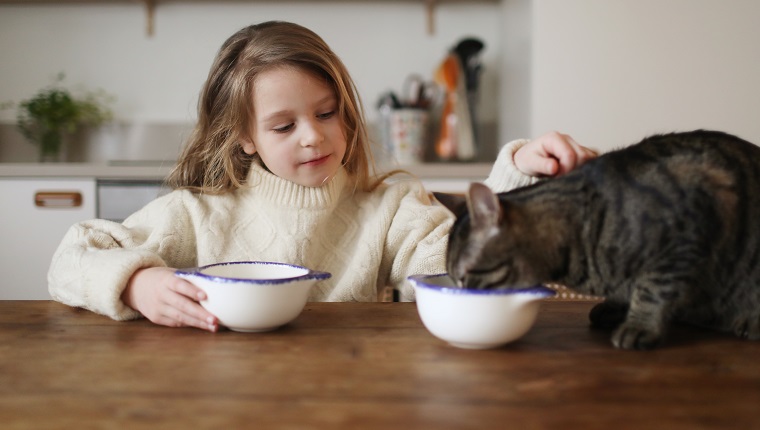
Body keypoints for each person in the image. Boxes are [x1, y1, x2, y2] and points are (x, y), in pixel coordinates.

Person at [48, 21, 596, 332]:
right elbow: (70, 258)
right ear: (245, 137)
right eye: (283, 125)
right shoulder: (196, 213)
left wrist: (519, 175)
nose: (312, 136)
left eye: (327, 113)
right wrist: (136, 283)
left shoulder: (392, 207)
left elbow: (464, 263)